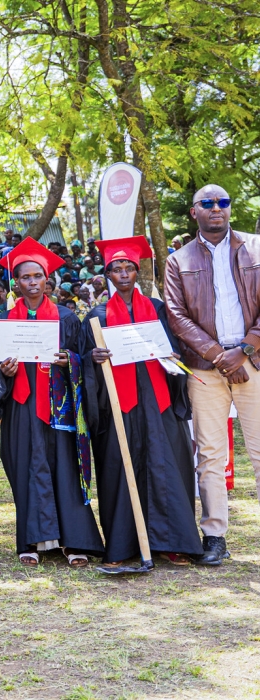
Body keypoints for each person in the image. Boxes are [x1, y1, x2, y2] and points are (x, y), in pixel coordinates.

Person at [0, 239, 103, 567]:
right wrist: (4, 373)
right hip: (21, 407)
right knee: (25, 468)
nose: (32, 282)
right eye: (25, 277)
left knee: (65, 469)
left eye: (37, 276)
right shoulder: (3, 322)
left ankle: (74, 542)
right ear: (16, 282)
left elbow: (83, 358)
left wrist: (69, 361)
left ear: (47, 280)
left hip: (59, 407)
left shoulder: (66, 318)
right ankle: (31, 540)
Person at [81, 237, 202, 566]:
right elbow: (82, 363)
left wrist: (174, 356)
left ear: (138, 272)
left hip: (158, 402)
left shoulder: (159, 310)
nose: (123, 274)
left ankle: (172, 542)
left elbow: (177, 349)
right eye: (116, 269)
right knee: (120, 469)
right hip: (119, 406)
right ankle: (123, 546)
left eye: (129, 268)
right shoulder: (97, 316)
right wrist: (92, 358)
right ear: (107, 275)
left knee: (167, 467)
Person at [164, 184, 260, 565]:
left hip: (253, 361)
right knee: (209, 455)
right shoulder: (178, 260)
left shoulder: (256, 248)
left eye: (223, 202)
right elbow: (176, 316)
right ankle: (215, 535)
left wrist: (245, 350)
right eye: (207, 203)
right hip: (205, 369)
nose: (216, 208)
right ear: (195, 212)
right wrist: (220, 356)